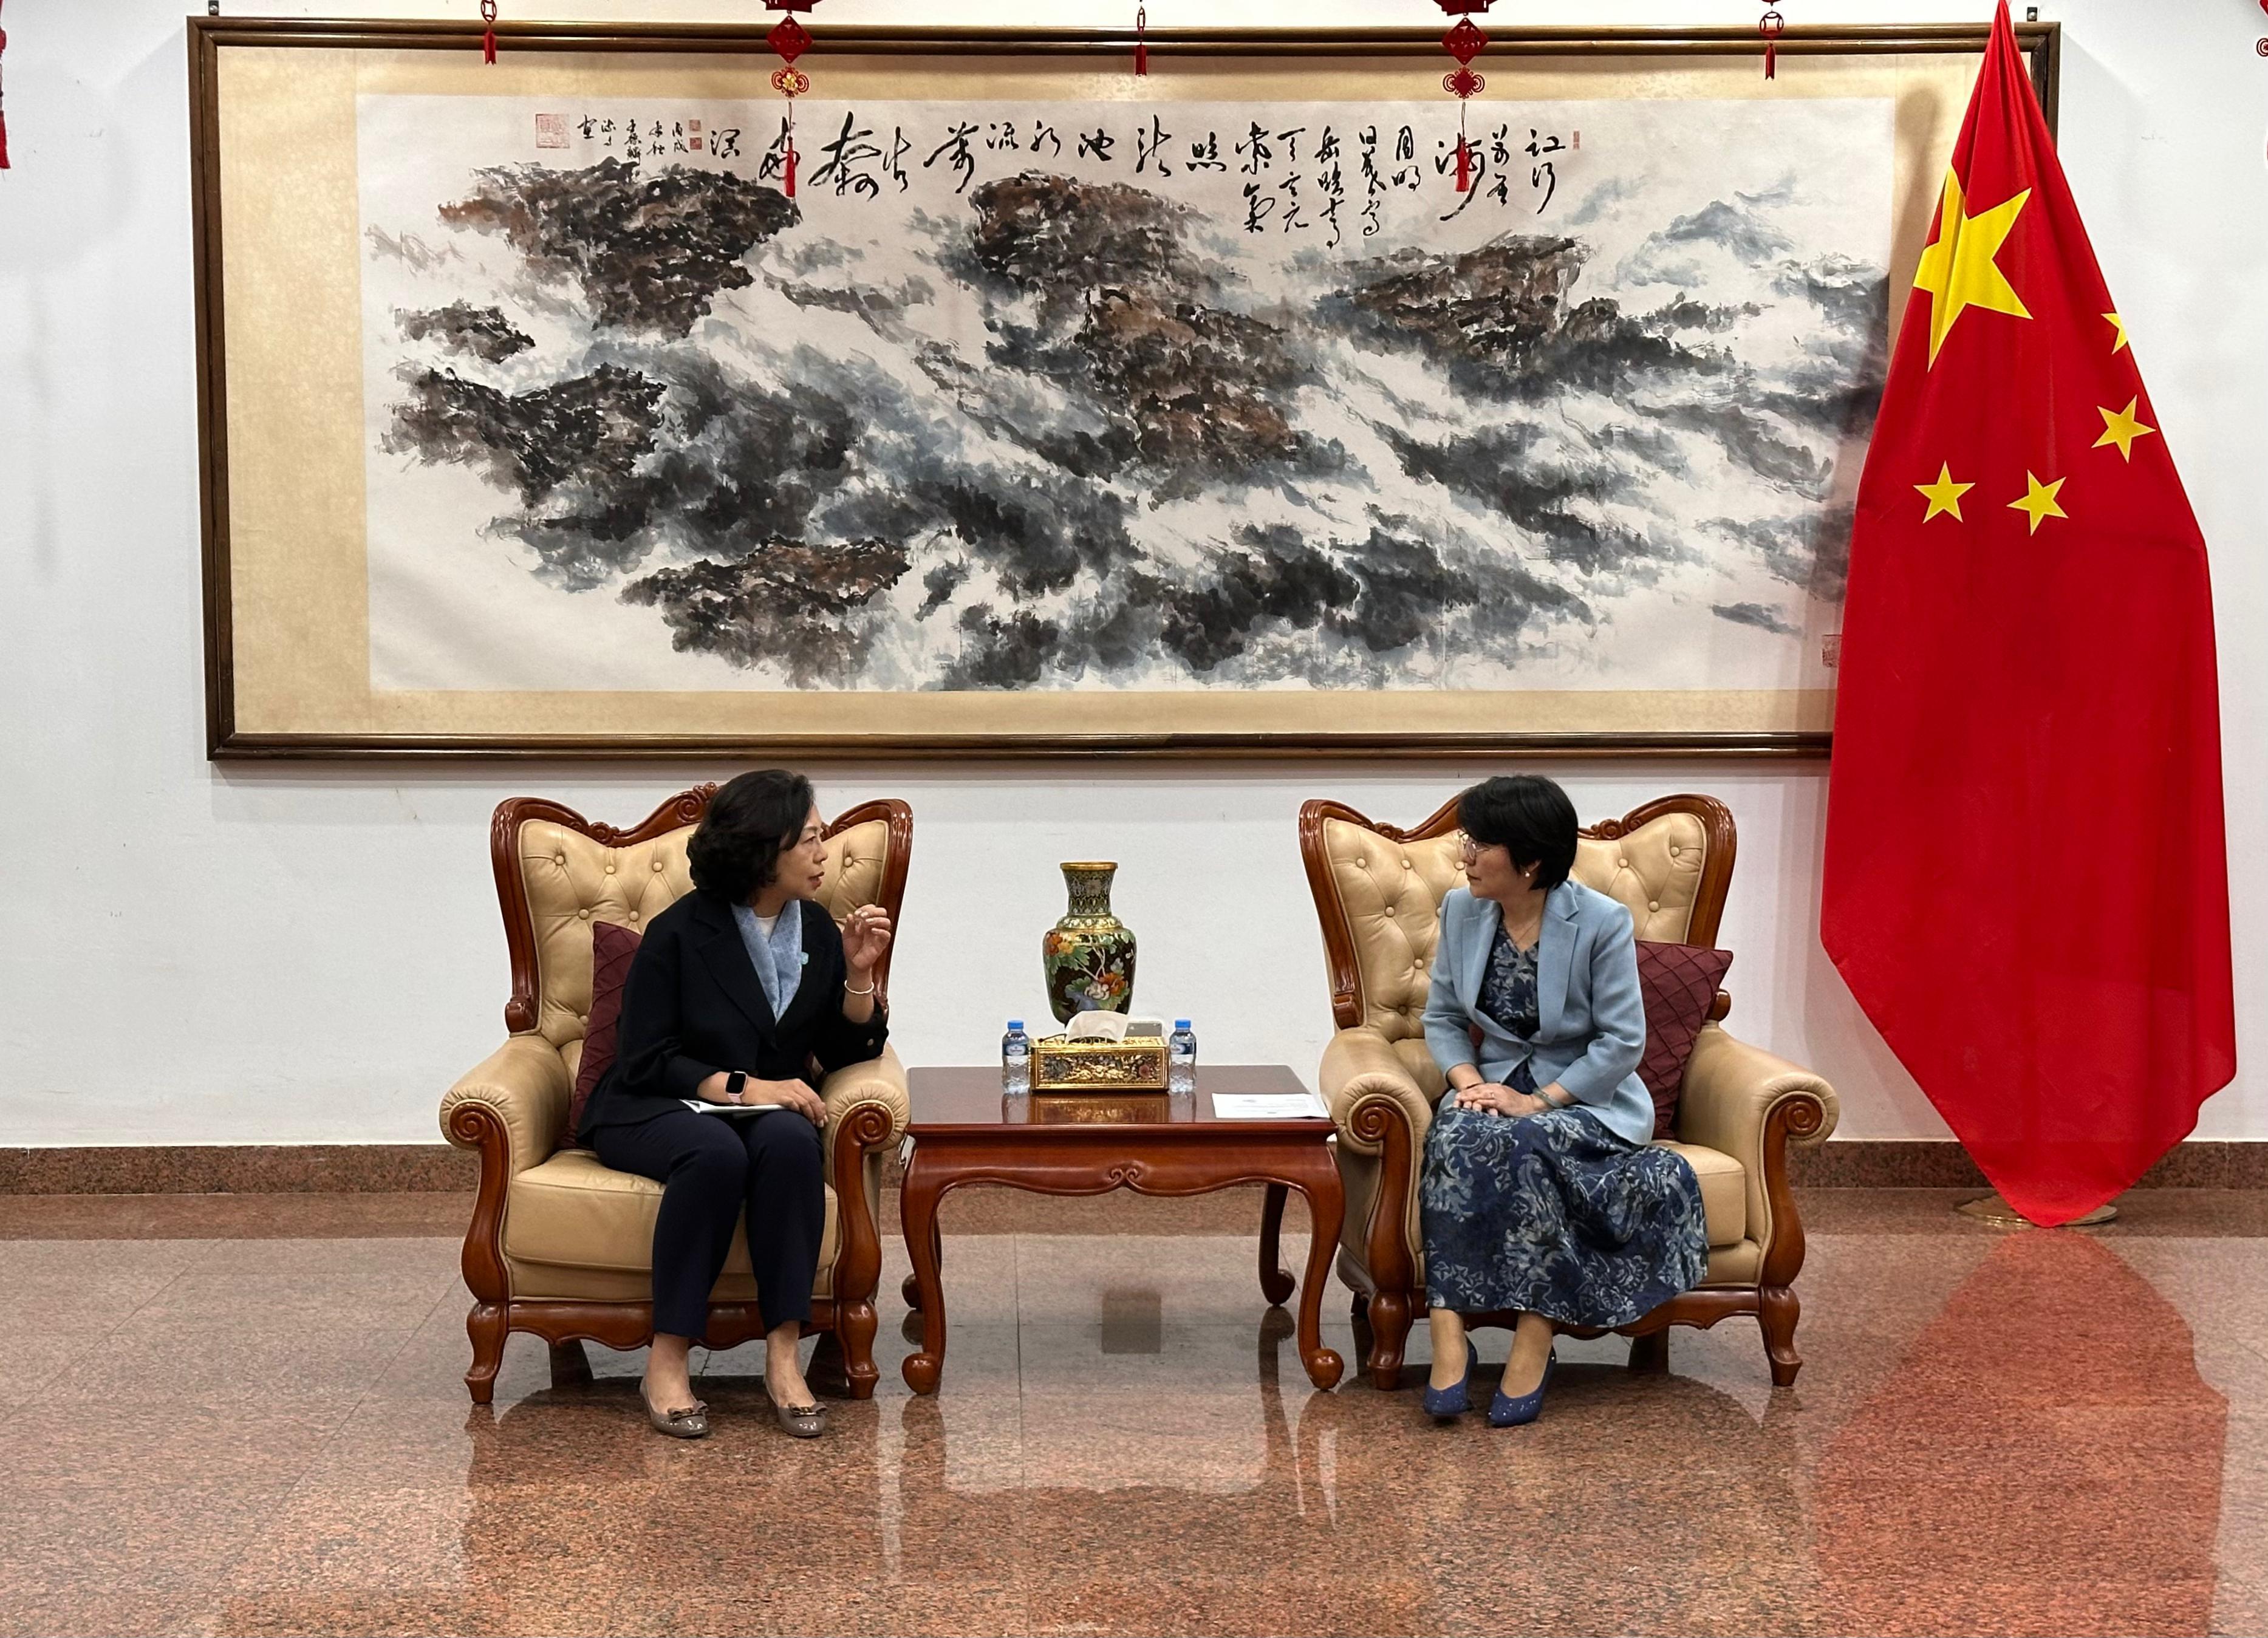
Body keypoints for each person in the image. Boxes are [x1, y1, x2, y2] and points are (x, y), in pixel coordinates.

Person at [578, 770, 894, 1440]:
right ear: (763, 849)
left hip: (762, 1114)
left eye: (823, 838)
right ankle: (666, 1361)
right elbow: (644, 1058)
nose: (823, 854)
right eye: (809, 839)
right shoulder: (679, 932)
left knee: (788, 1145)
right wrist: (748, 1088)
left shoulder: (813, 926)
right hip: (654, 1103)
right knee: (715, 1155)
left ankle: (783, 1357)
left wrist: (859, 972)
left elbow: (842, 1051)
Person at [1418, 774, 1707, 1427]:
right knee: (1455, 1134)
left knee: (1522, 1145)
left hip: (1582, 1099)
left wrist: (1538, 1101)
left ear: (1530, 860)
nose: (1463, 854)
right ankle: (1444, 1328)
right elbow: (1438, 1018)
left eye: (1479, 842)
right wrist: (1467, 1084)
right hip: (1488, 1082)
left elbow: (1619, 1042)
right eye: (1466, 839)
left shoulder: (1599, 921)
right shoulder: (1459, 910)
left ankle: (1534, 1336)